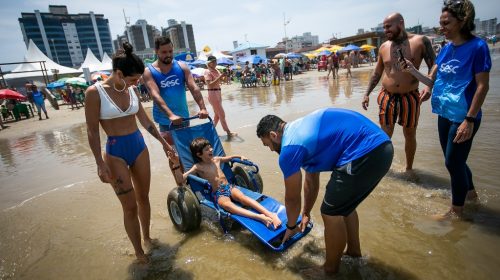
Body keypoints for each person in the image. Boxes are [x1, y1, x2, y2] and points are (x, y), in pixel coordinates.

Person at [256, 108, 393, 274]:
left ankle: (329, 271)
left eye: (267, 145)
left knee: (330, 213)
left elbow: (292, 198)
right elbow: (311, 181)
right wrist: (305, 213)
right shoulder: (300, 131)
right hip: (382, 146)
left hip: (364, 152)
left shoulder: (289, 149)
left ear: (273, 135)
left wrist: (291, 226)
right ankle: (354, 252)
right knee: (344, 207)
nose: (270, 149)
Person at [85, 42, 176, 263]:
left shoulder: (132, 90)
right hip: (115, 153)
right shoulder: (94, 93)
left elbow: (145, 121)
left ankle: (147, 237)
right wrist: (99, 163)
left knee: (143, 197)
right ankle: (138, 252)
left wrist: (165, 145)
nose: (137, 83)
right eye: (133, 79)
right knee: (130, 206)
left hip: (138, 147)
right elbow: (92, 131)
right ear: (118, 73)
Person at [399, 0, 491, 219]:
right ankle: (471, 194)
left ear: (462, 21)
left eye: (446, 23)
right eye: (440, 23)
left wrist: (469, 119)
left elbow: (482, 86)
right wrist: (413, 71)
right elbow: (432, 81)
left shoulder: (478, 47)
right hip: (444, 113)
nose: (441, 27)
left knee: (453, 162)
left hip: (463, 116)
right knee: (454, 161)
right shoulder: (446, 48)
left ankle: (456, 212)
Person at [361, 12, 436, 171]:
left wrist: (429, 87)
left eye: (388, 27)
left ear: (400, 24)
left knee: (409, 134)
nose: (385, 30)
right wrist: (366, 93)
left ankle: (409, 168)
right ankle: (382, 168)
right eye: (384, 27)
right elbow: (377, 73)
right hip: (387, 96)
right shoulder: (384, 46)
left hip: (410, 97)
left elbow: (434, 65)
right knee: (385, 134)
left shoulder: (421, 41)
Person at [171, 137, 281, 229]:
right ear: (199, 154)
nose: (211, 149)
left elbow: (231, 157)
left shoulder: (217, 159)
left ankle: (270, 214)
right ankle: (261, 217)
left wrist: (240, 156)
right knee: (228, 206)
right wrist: (176, 165)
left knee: (244, 198)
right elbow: (181, 180)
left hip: (230, 187)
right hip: (219, 193)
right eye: (207, 149)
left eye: (210, 147)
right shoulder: (198, 167)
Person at [143, 36, 208, 183]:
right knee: (173, 155)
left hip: (184, 118)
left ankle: (194, 182)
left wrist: (202, 108)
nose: (168, 55)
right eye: (164, 52)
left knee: (189, 152)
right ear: (156, 51)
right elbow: (155, 94)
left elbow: (193, 87)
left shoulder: (182, 67)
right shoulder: (149, 71)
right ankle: (181, 184)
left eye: (170, 51)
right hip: (166, 122)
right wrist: (170, 115)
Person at [204, 55, 237, 138]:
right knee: (221, 114)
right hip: (212, 93)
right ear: (209, 63)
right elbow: (209, 85)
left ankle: (210, 131)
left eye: (215, 61)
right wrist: (220, 76)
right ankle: (228, 133)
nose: (215, 63)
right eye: (213, 62)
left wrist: (226, 75)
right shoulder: (207, 71)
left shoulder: (216, 70)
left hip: (218, 93)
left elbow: (223, 81)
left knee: (217, 115)